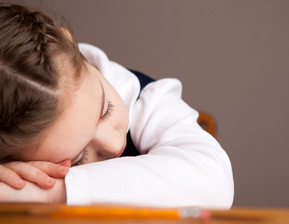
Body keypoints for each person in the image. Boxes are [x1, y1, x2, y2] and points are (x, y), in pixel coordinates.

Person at [0, 3, 234, 208]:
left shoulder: (148, 99)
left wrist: (48, 192)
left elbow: (212, 181)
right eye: (79, 158)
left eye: (106, 110)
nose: (114, 145)